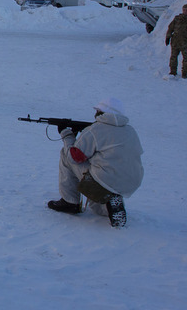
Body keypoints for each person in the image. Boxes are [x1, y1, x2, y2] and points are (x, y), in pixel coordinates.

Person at [47, 97, 144, 228]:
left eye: (98, 110)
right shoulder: (130, 131)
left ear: (102, 112)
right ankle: (111, 204)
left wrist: (66, 134)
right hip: (131, 182)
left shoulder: (96, 129)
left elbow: (75, 156)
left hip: (106, 179)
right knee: (95, 207)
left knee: (65, 154)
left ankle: (69, 202)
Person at [165, 3, 187, 78]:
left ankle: (184, 73)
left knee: (186, 59)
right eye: (184, 10)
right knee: (173, 57)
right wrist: (168, 37)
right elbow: (170, 28)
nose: (185, 11)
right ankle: (172, 72)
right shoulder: (177, 18)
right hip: (175, 41)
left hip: (186, 43)